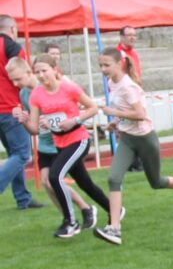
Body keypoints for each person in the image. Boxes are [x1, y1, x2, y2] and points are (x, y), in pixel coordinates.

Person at [93, 48, 173, 245]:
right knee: (113, 178)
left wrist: (114, 112)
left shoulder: (129, 87)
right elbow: (125, 110)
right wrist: (115, 122)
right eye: (100, 65)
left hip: (145, 139)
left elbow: (140, 114)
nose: (103, 69)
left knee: (156, 181)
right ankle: (114, 228)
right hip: (127, 139)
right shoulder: (111, 83)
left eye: (106, 65)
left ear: (119, 64)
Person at [15, 54, 112, 237]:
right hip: (59, 144)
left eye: (44, 70)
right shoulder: (36, 94)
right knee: (85, 184)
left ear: (54, 70)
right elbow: (34, 130)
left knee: (54, 176)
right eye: (38, 72)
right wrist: (24, 121)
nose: (42, 75)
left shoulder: (68, 88)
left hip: (79, 139)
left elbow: (92, 107)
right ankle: (113, 209)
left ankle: (71, 222)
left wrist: (73, 120)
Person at [7, 57, 91, 222]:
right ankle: (68, 219)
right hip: (45, 145)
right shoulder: (24, 94)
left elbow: (71, 108)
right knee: (47, 183)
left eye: (18, 79)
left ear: (28, 72)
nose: (15, 84)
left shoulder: (47, 86)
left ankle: (84, 209)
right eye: (13, 81)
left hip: (63, 142)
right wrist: (24, 118)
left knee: (56, 181)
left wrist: (63, 121)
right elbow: (34, 128)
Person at [0, 14, 40, 210]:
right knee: (22, 154)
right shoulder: (11, 47)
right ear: (13, 29)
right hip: (10, 107)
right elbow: (26, 74)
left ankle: (23, 198)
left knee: (14, 154)